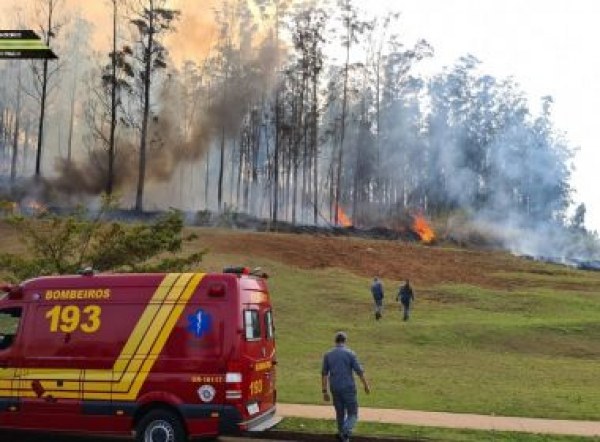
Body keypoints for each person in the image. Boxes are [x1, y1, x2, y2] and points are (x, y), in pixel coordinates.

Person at [321, 332, 370, 442]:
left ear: (335, 341)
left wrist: (325, 391)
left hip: (334, 387)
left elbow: (324, 374)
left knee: (340, 413)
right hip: (348, 387)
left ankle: (342, 437)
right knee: (353, 413)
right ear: (345, 341)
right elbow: (359, 371)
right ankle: (344, 432)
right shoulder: (350, 354)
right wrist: (366, 385)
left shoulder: (328, 354)